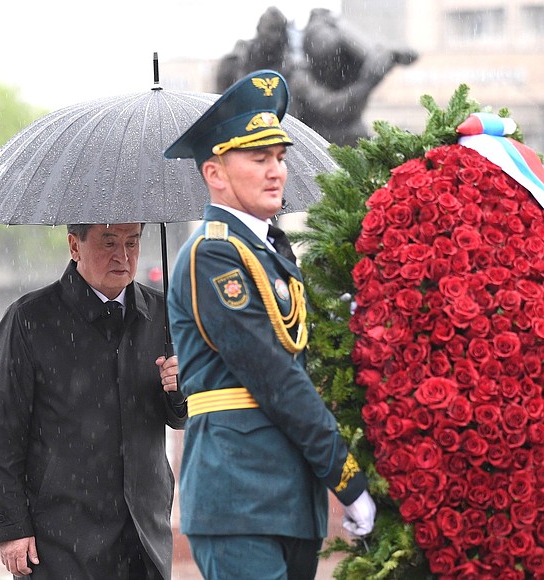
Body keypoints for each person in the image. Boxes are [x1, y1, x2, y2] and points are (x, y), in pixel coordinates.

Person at [163, 69, 376, 579]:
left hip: (285, 498)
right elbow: (276, 377)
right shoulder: (215, 255)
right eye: (258, 159)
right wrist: (346, 479)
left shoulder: (272, 252)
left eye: (279, 157)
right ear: (215, 174)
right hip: (238, 493)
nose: (276, 171)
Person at [0, 222, 187, 579]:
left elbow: (179, 417)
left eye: (132, 242)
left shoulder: (164, 315)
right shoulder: (30, 318)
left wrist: (180, 389)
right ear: (74, 246)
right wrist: (11, 527)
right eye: (109, 243)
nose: (123, 256)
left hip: (143, 530)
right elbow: (2, 433)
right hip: (58, 534)